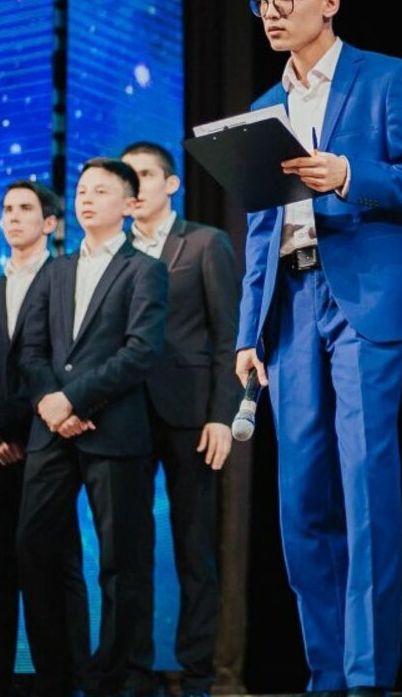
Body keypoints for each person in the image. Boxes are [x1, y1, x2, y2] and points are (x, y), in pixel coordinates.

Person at [234, 0, 402, 696]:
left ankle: (366, 676)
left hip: (365, 298)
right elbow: (261, 230)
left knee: (364, 485)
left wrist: (350, 174)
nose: (272, 11)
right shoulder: (262, 108)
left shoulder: (388, 77)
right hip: (290, 306)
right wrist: (247, 334)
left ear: (330, 0)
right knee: (300, 498)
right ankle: (325, 672)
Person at [17, 158, 169, 697]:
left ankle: (116, 678)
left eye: (101, 191)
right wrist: (50, 402)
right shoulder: (54, 270)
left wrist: (74, 398)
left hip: (115, 430)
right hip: (52, 431)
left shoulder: (144, 269)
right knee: (33, 548)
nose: (85, 199)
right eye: (82, 190)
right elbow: (30, 349)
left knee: (120, 562)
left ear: (130, 205)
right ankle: (58, 675)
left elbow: (141, 351)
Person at [120, 141, 243, 697]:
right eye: (128, 177)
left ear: (171, 184)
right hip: (125, 414)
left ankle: (198, 673)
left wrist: (222, 415)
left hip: (191, 415)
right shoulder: (115, 251)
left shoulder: (205, 243)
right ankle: (134, 669)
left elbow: (229, 336)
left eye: (146, 175)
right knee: (129, 548)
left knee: (194, 548)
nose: (136, 186)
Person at [0, 180, 88, 697]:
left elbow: (51, 367)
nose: (13, 217)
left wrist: (7, 422)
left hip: (47, 442)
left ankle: (64, 680)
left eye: (25, 209)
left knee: (54, 566)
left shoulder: (66, 282)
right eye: (7, 209)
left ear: (50, 222)